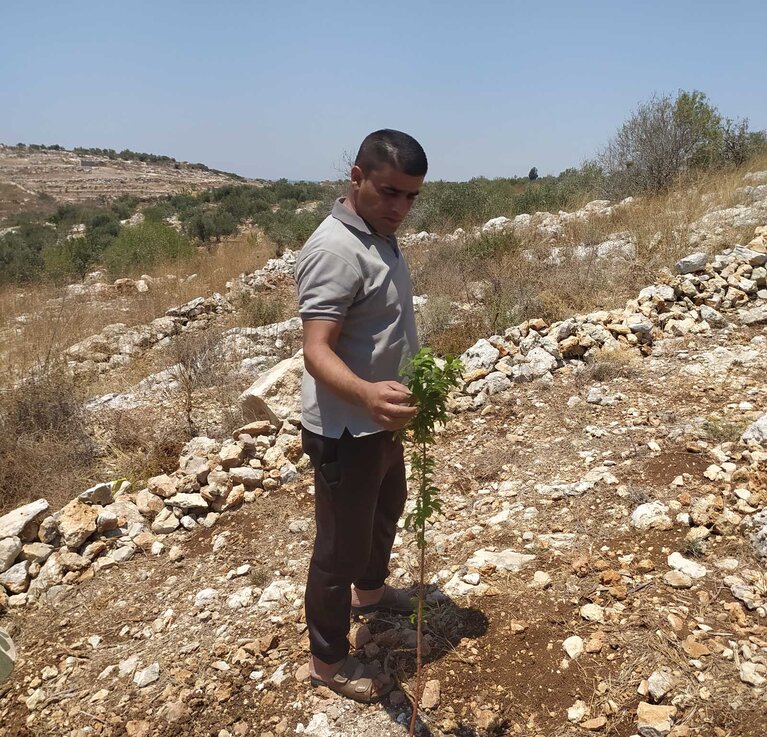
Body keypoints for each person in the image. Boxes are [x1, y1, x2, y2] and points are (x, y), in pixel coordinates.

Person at [294, 129, 427, 702]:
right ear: (356, 177)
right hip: (346, 428)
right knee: (336, 551)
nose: (400, 208)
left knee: (386, 509)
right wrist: (369, 395)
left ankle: (369, 596)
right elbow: (315, 350)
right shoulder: (333, 249)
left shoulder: (377, 233)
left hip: (380, 420)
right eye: (389, 192)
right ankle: (326, 663)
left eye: (411, 197)